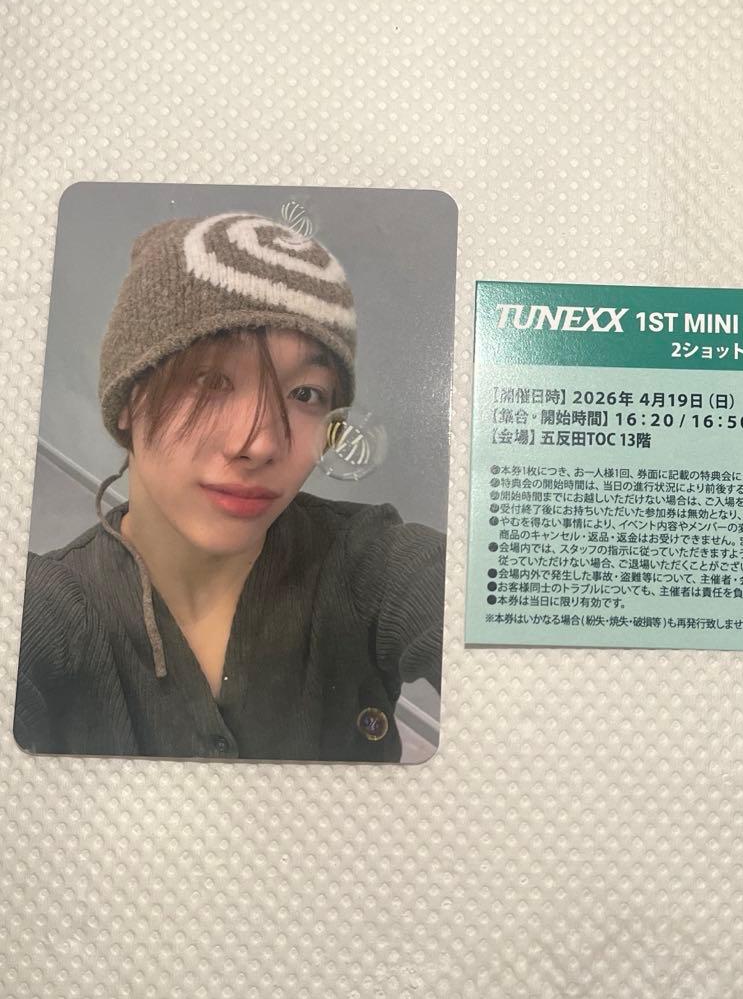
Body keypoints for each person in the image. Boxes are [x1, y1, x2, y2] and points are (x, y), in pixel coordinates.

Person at [14, 212, 445, 761]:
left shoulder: (373, 565)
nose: (260, 443)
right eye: (212, 380)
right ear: (127, 401)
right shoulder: (42, 610)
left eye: (306, 394)